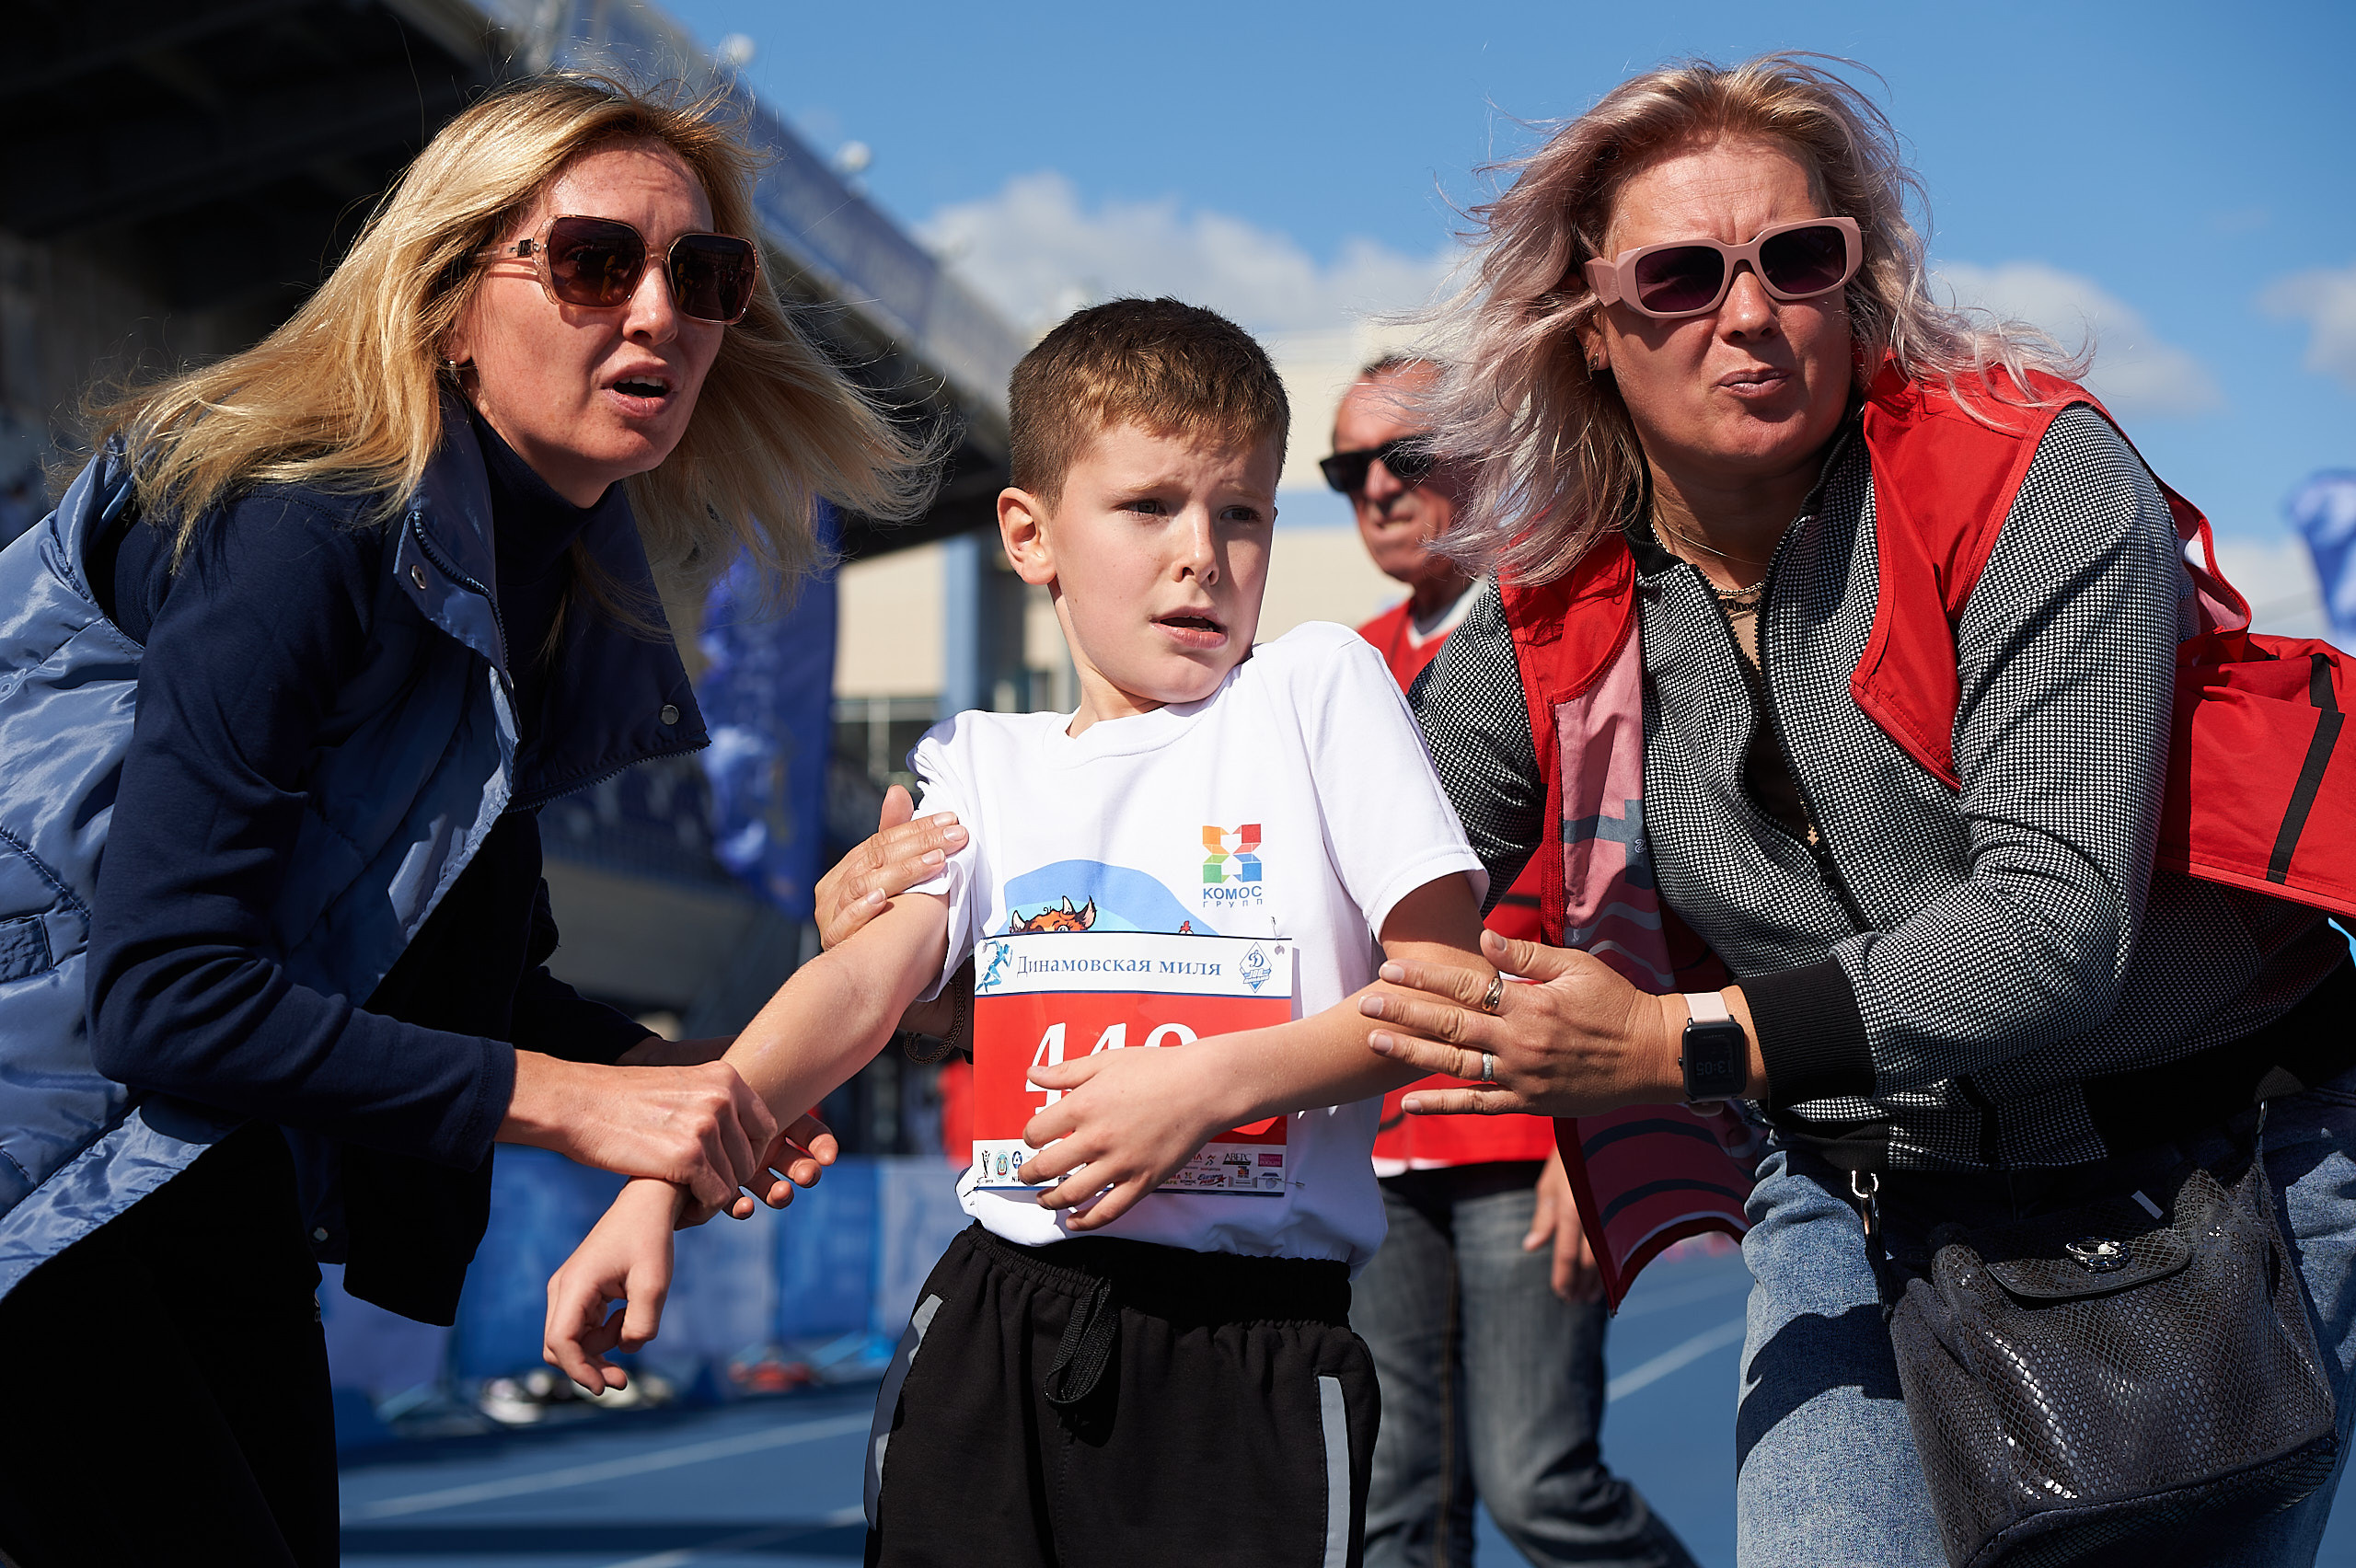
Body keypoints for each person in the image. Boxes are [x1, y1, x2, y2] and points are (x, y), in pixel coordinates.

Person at [1340, 53, 2356, 1565]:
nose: (1748, 315)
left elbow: (2047, 930)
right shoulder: (1548, 604)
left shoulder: (2031, 472)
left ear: (1857, 280)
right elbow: (1351, 881)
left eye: (1796, 261)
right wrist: (971, 913)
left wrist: (1670, 1042)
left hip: (2204, 1173)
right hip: (1865, 1190)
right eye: (1681, 278)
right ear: (1588, 326)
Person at [0, 74, 928, 1567]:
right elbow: (165, 998)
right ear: (445, 299)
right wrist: (578, 1101)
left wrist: (699, 1075)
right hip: (48, 1204)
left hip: (200, 1192)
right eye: (589, 261)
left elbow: (463, 981)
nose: (657, 315)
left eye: (702, 275)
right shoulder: (302, 518)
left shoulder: (540, 585)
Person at [544, 298, 1496, 1568]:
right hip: (1001, 1319)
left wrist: (1203, 1087)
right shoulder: (978, 764)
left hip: (1254, 1353)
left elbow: (1444, 995)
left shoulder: (1318, 690)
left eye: (1244, 512)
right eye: (1150, 506)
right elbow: (860, 992)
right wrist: (662, 1176)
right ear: (1030, 534)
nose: (1202, 554)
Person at [1327, 358, 1693, 1568]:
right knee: (1393, 1504)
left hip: (1525, 1131)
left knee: (1541, 1487)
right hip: (1378, 1142)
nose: (1377, 490)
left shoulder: (1562, 623)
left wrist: (1583, 1138)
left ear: (1486, 455)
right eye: (1349, 471)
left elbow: (1628, 880)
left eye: (1407, 457)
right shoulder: (1342, 669)